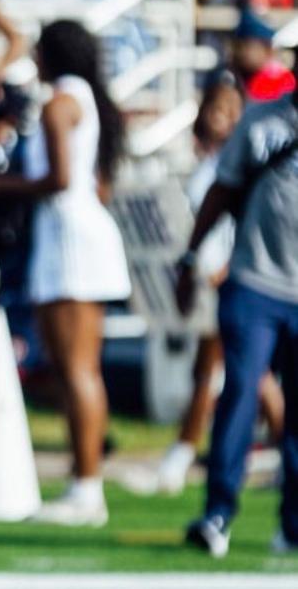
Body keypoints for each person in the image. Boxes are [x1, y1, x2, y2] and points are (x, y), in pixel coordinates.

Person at [0, 20, 131, 526]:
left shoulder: (63, 102)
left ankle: (87, 489)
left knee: (77, 369)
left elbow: (61, 179)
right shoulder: (84, 99)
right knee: (71, 369)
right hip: (76, 234)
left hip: (70, 240)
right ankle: (83, 481)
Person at [177, 86, 298, 558]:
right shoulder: (262, 121)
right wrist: (190, 257)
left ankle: (293, 524)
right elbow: (223, 189)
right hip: (255, 280)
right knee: (241, 391)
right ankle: (218, 513)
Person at [154, 70, 283, 495]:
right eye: (215, 109)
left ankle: (183, 453)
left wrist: (216, 267)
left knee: (225, 373)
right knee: (238, 375)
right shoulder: (214, 162)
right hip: (219, 274)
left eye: (231, 110)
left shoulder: (244, 157)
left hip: (235, 276)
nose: (222, 119)